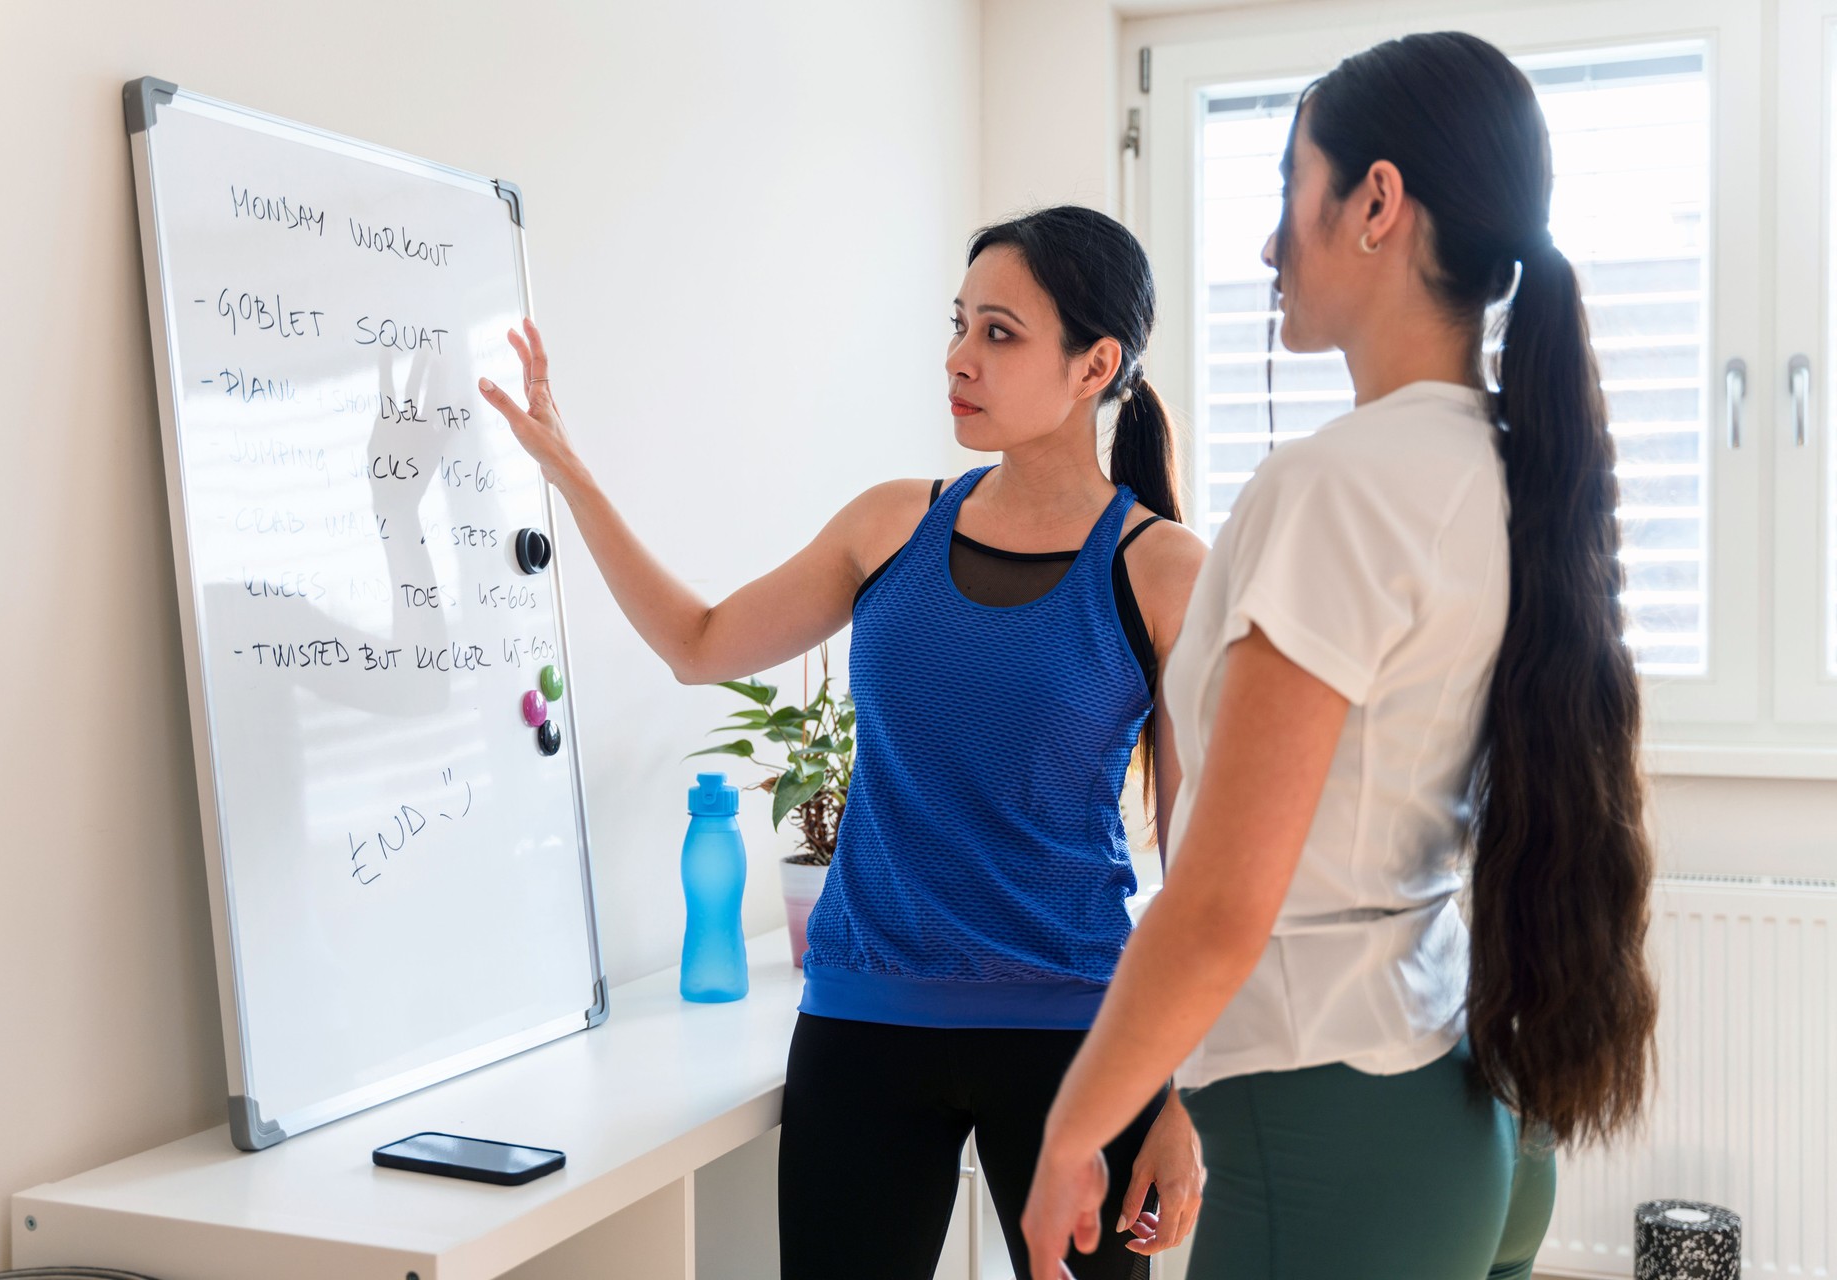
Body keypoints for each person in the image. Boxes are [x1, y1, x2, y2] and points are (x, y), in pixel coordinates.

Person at [1020, 32, 1659, 1280]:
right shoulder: (1506, 463)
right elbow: (1341, 850)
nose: (1268, 246)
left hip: (1333, 1132)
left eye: (1287, 191)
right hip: (1460, 1097)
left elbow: (1224, 903)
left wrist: (1073, 1129)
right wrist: (1187, 1096)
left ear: (1375, 203)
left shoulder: (1339, 488)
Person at [479, 205, 1208, 1280]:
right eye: (959, 324)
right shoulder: (890, 524)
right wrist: (570, 472)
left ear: (1096, 363)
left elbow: (1200, 862)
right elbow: (700, 642)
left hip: (1078, 1038)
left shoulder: (1163, 569)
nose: (960, 358)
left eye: (1000, 334)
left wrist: (1180, 1093)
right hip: (865, 1023)